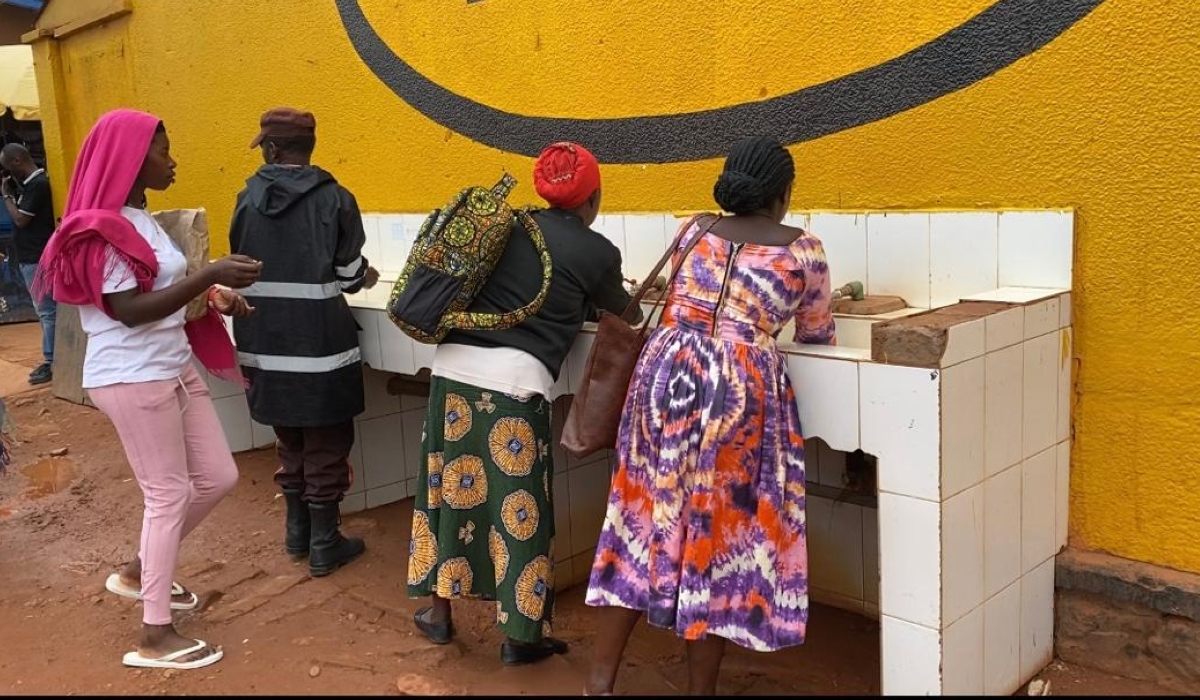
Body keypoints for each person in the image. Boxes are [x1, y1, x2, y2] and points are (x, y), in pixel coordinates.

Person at [583, 136, 837, 696]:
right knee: (714, 535)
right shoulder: (804, 251)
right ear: (784, 193)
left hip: (664, 381)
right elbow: (817, 333)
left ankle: (598, 684)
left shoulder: (692, 229)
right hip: (735, 396)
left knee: (639, 519)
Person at [35, 109, 262, 670]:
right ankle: (154, 636)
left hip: (170, 364)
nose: (173, 158)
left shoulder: (140, 218)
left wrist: (211, 299)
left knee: (218, 476)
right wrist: (209, 276)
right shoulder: (99, 227)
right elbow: (129, 311)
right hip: (133, 374)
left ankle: (139, 572)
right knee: (168, 494)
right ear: (134, 159)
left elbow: (159, 287)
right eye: (164, 150)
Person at [407, 142, 640, 665]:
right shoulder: (596, 251)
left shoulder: (506, 225)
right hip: (513, 385)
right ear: (593, 196)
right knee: (520, 512)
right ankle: (520, 638)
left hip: (450, 374)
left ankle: (439, 614)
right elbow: (628, 313)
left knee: (446, 491)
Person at [228, 107, 379, 578]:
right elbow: (350, 274)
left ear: (272, 149)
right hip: (319, 346)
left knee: (288, 434)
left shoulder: (245, 200)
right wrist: (364, 274)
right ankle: (323, 541)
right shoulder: (336, 199)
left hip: (263, 342)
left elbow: (242, 264)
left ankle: (296, 532)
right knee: (326, 441)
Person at [1, 143, 57, 385]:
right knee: (46, 310)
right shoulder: (31, 186)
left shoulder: (38, 185)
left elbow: (21, 219)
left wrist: (6, 195)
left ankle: (51, 362)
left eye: (8, 168)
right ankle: (53, 359)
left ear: (16, 162)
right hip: (31, 258)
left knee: (47, 311)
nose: (9, 174)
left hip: (36, 258)